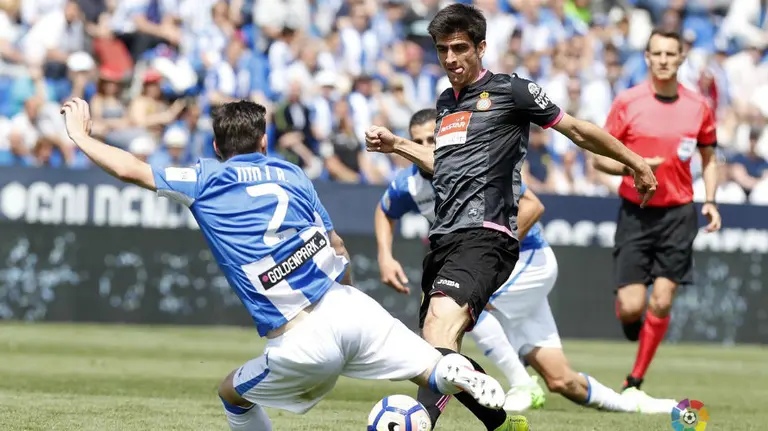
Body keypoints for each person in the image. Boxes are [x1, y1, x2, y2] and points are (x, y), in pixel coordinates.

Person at [59, 97, 508, 431]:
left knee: (232, 395)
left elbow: (132, 169)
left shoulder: (205, 177)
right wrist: (348, 294)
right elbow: (336, 245)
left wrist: (80, 136)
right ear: (264, 141)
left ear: (216, 146)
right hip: (350, 307)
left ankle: (447, 373)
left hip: (300, 338)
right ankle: (452, 372)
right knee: (430, 368)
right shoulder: (292, 173)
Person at [365, 4, 658, 430]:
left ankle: (420, 421)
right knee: (432, 351)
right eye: (442, 50)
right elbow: (444, 163)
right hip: (445, 237)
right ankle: (503, 424)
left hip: (485, 233)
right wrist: (397, 145)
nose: (450, 58)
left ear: (481, 47)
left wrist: (635, 162)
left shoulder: (512, 91)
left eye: (460, 48)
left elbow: (577, 129)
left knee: (439, 330)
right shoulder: (446, 102)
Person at [375, 111, 678, 419]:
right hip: (496, 269)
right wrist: (385, 256)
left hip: (528, 260)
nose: (426, 146)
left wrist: (486, 248)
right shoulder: (408, 184)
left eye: (432, 138)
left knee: (461, 304)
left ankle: (521, 384)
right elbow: (384, 211)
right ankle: (634, 404)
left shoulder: (474, 165)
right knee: (561, 379)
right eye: (418, 141)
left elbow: (533, 205)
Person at [593, 29, 722, 399]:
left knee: (662, 300)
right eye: (657, 54)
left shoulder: (699, 106)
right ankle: (630, 319)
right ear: (647, 58)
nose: (664, 60)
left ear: (681, 58)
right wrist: (631, 167)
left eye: (670, 53)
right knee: (631, 307)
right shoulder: (627, 102)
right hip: (636, 213)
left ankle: (635, 379)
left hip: (679, 214)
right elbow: (599, 158)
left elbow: (709, 158)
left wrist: (711, 199)